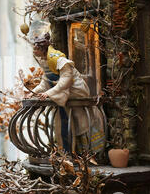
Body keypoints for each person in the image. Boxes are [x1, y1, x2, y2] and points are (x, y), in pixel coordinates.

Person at [28, 23, 105, 161]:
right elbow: (45, 82)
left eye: (36, 48)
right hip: (63, 96)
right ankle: (66, 154)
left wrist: (48, 94)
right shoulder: (46, 62)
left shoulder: (60, 60)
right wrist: (34, 92)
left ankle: (86, 155)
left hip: (76, 92)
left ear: (42, 48)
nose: (34, 51)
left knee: (82, 125)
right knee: (63, 125)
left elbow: (66, 82)